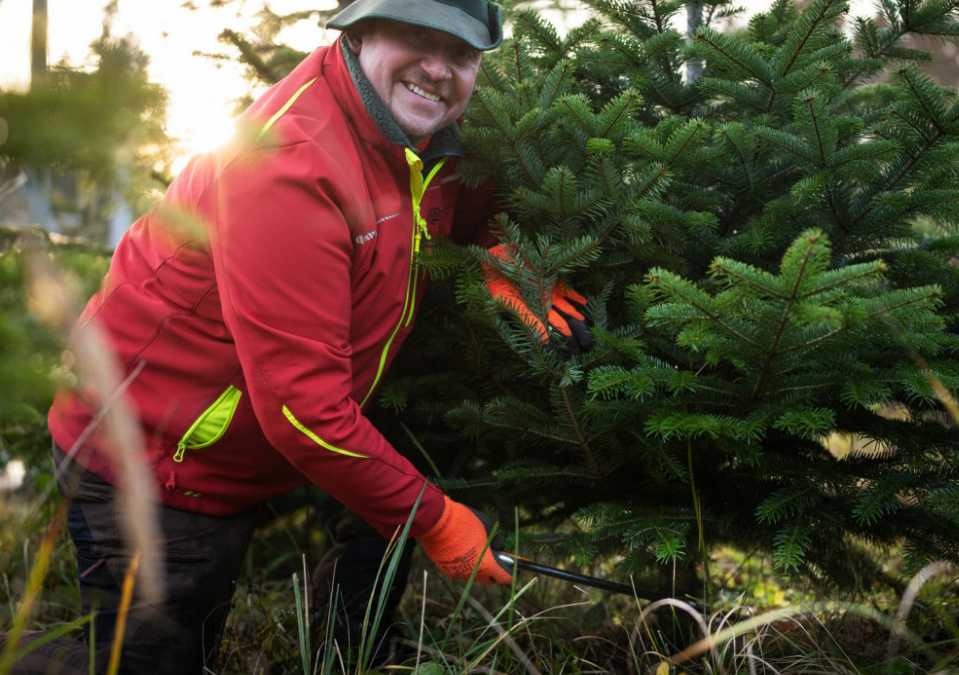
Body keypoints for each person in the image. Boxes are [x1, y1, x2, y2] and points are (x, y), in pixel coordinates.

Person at [45, 0, 591, 672]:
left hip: (248, 436)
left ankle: (346, 656)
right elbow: (305, 411)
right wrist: (435, 519)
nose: (439, 69)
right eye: (418, 38)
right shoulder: (289, 167)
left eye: (462, 54)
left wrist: (504, 262)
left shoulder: (426, 135)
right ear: (357, 33)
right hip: (154, 449)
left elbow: (474, 207)